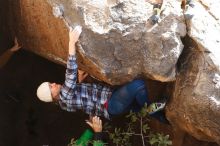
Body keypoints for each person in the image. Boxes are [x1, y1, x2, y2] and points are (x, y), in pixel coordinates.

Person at [36, 26, 166, 121]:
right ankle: (151, 108)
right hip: (111, 103)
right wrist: (71, 42)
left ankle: (163, 119)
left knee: (137, 107)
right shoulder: (65, 93)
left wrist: (79, 81)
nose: (53, 84)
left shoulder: (63, 104)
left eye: (50, 83)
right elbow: (70, 70)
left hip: (109, 107)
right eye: (50, 87)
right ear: (53, 97)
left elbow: (78, 100)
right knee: (139, 84)